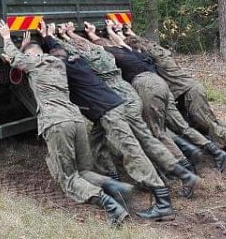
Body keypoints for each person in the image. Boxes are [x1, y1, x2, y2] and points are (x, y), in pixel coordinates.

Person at [0, 19, 129, 226]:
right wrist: (39, 41)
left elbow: (15, 58)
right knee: (84, 171)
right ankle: (113, 186)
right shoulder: (57, 63)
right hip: (76, 120)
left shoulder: (33, 64)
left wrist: (6, 37)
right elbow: (24, 58)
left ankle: (110, 206)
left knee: (68, 179)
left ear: (31, 55)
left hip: (57, 123)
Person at [39, 20, 176, 221]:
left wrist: (46, 39)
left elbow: (52, 59)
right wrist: (51, 38)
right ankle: (113, 183)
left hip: (110, 112)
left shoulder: (66, 68)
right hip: (109, 109)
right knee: (97, 144)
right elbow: (63, 51)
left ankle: (163, 203)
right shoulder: (80, 61)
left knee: (132, 152)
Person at [52, 23, 201, 199]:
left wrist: (54, 36)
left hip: (116, 104)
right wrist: (73, 34)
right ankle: (178, 172)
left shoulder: (87, 58)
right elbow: (90, 45)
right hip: (127, 99)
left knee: (131, 146)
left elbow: (71, 51)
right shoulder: (104, 52)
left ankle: (160, 181)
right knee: (121, 140)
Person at [87, 21, 226, 172]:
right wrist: (111, 31)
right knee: (181, 126)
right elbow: (120, 41)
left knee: (156, 132)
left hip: (147, 86)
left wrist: (88, 34)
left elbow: (95, 47)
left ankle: (184, 167)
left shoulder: (109, 54)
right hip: (161, 85)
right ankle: (215, 153)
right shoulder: (127, 50)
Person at [123, 26, 226, 168]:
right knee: (203, 123)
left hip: (190, 92)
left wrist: (125, 39)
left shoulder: (158, 59)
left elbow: (141, 48)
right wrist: (131, 34)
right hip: (187, 92)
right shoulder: (161, 52)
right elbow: (146, 45)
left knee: (209, 125)